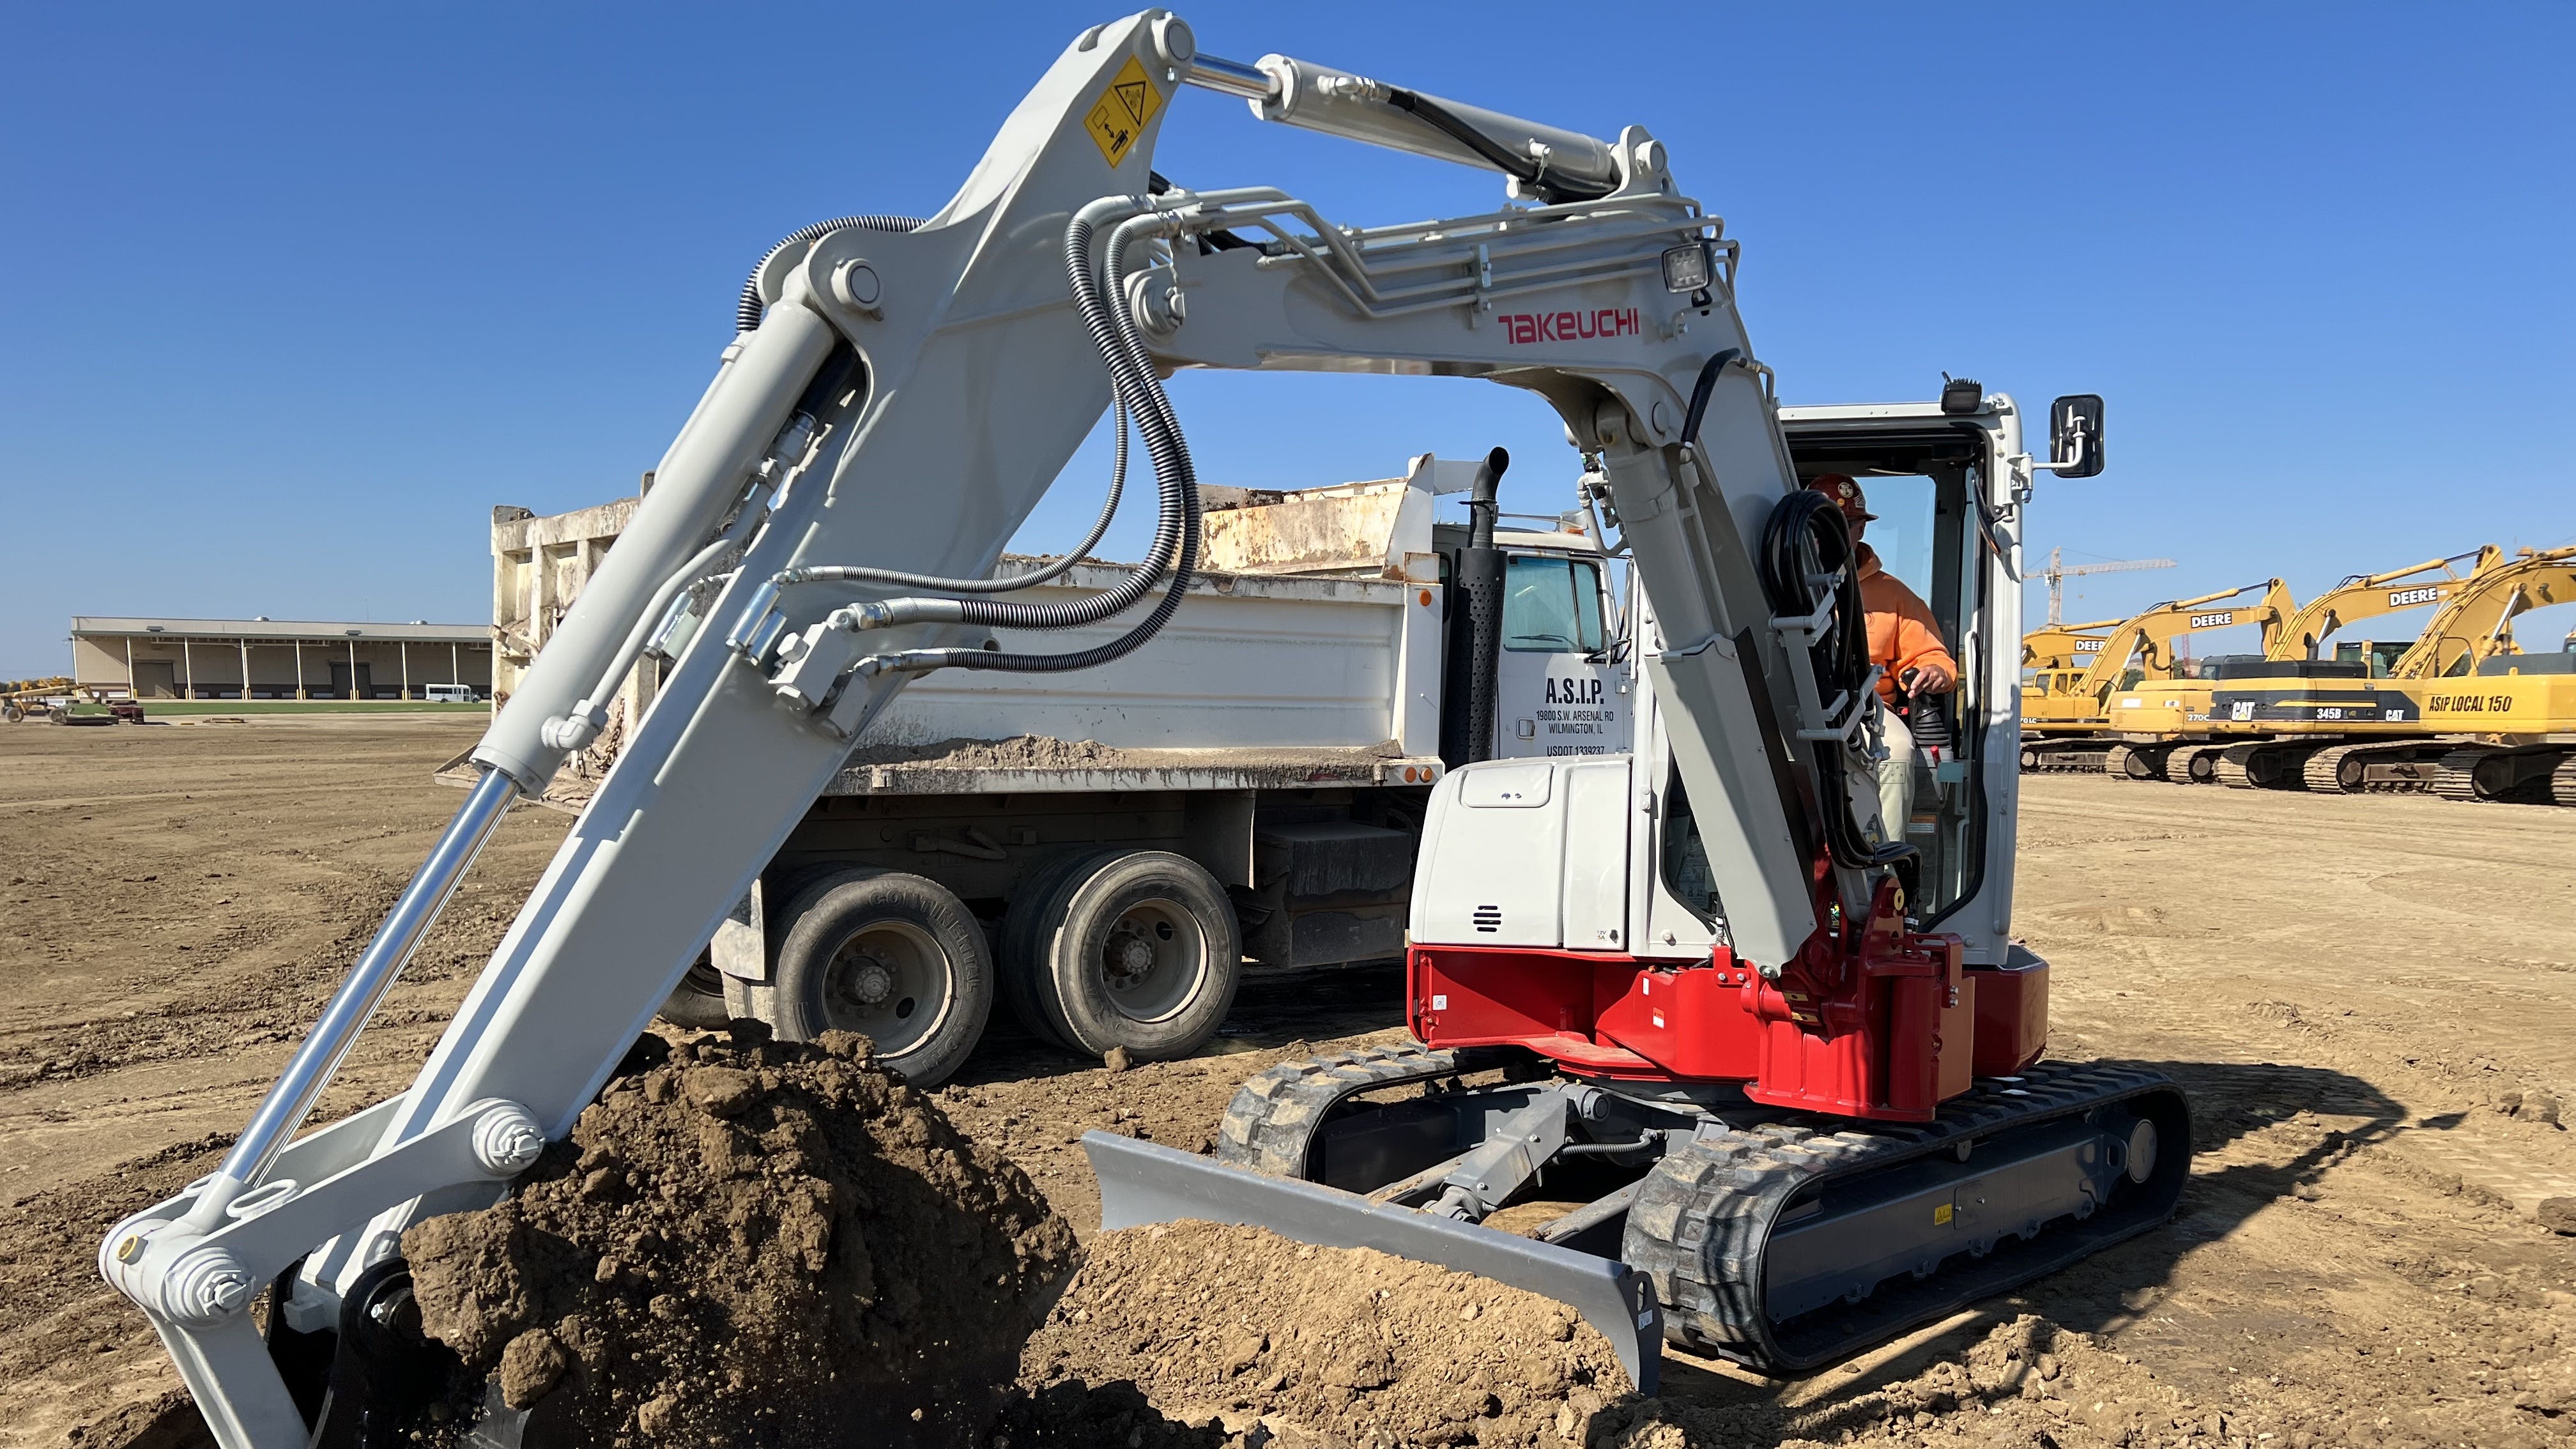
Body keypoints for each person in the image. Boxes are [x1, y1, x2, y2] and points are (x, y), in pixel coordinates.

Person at [1806, 474, 1958, 845]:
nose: (1838, 536)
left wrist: (1936, 671)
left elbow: (1933, 654)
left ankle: (1882, 860)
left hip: (1867, 712)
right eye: (1825, 525)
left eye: (1849, 526)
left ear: (1860, 530)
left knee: (1898, 752)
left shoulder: (1894, 596)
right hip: (1789, 702)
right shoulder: (1774, 581)